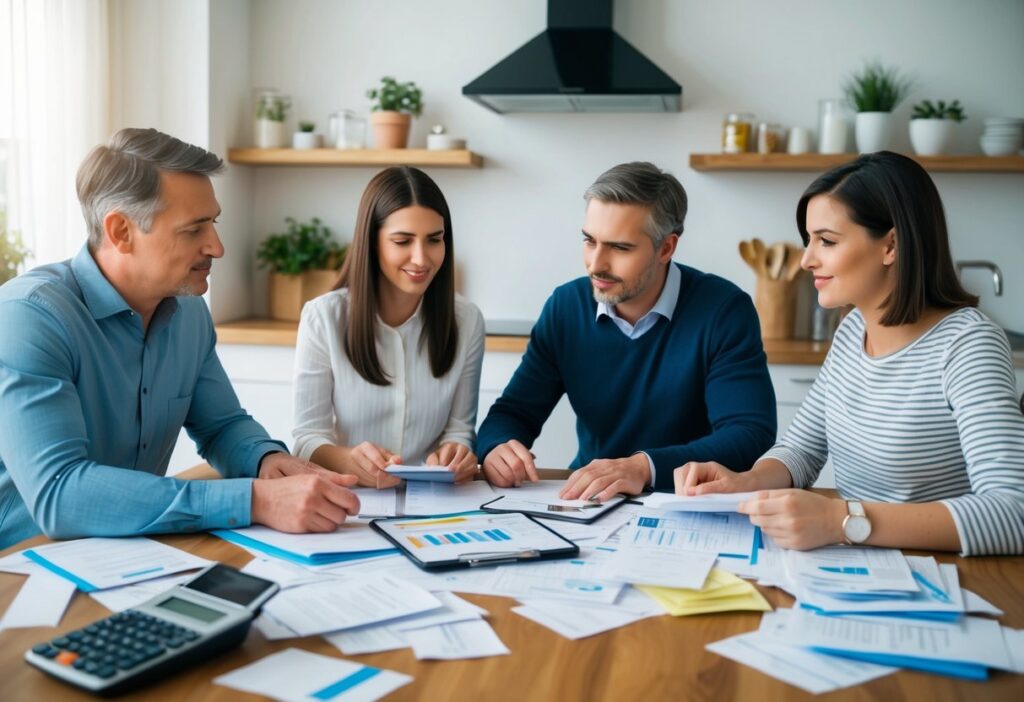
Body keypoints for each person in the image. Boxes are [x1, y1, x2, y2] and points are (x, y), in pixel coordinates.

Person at [0, 128, 361, 550]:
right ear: (121, 232)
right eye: (194, 230)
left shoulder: (189, 312)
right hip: (20, 565)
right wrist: (254, 500)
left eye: (214, 223)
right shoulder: (28, 317)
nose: (218, 247)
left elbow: (221, 426)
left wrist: (267, 461)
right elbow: (60, 493)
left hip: (126, 554)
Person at [677, 151, 1024, 556]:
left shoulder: (968, 345)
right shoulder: (852, 331)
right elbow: (802, 450)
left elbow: (1013, 511)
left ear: (891, 245)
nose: (807, 259)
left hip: (945, 575)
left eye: (827, 240)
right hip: (859, 564)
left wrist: (840, 520)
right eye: (809, 240)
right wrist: (746, 481)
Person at [476, 162, 777, 500]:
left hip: (687, 502)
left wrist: (643, 467)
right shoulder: (566, 306)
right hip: (591, 500)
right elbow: (514, 412)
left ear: (666, 248)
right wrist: (496, 447)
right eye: (589, 241)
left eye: (620, 248)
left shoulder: (723, 310)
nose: (596, 264)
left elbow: (749, 433)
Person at [291, 166, 485, 487]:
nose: (421, 258)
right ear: (372, 242)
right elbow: (307, 438)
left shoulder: (466, 320)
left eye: (434, 240)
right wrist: (350, 459)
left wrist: (457, 452)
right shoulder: (323, 317)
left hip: (434, 499)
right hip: (352, 497)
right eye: (402, 241)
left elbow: (459, 430)